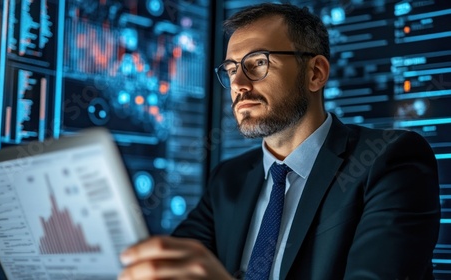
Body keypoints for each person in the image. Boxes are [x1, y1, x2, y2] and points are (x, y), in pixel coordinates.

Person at [118, 3, 441, 279]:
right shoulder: (229, 179)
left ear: (315, 73)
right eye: (231, 70)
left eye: (258, 63)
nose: (239, 85)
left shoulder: (389, 160)